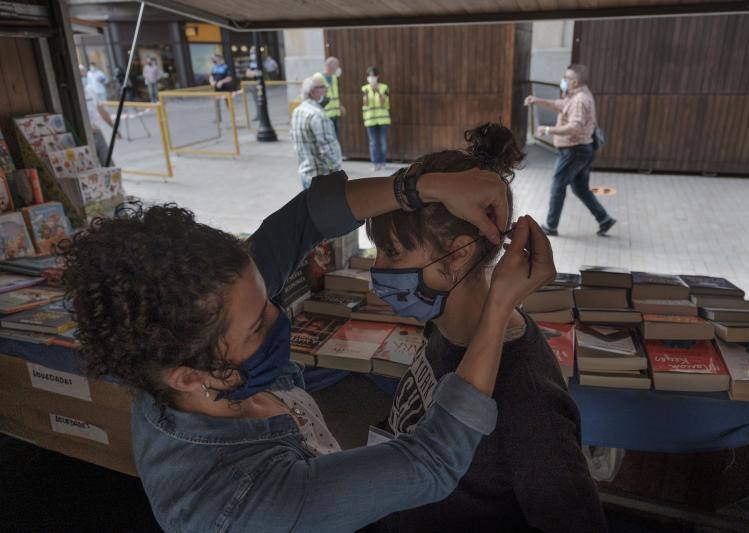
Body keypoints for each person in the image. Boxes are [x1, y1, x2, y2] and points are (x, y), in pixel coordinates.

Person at [57, 158, 557, 532]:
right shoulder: (247, 501)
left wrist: (422, 187)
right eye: (257, 326)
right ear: (192, 376)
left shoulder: (187, 337)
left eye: (265, 295)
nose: (279, 317)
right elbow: (433, 461)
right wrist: (498, 309)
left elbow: (302, 221)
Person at [365, 123, 606, 533]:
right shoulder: (443, 325)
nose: (377, 270)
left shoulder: (526, 396)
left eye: (391, 253)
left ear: (458, 257)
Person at [525, 64, 616, 237]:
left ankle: (550, 226)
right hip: (582, 150)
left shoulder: (580, 100)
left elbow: (575, 127)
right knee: (580, 189)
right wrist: (537, 100)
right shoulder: (577, 96)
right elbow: (561, 105)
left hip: (575, 151)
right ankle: (604, 219)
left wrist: (547, 130)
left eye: (566, 78)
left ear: (575, 81)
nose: (563, 81)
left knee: (558, 186)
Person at [291, 75, 342, 189]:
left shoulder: (297, 111)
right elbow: (327, 148)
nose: (325, 91)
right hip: (320, 177)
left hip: (305, 173)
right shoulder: (318, 115)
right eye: (322, 87)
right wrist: (337, 170)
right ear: (312, 92)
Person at [79, 64, 120, 165]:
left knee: (108, 164)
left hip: (97, 133)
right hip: (83, 137)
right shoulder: (73, 96)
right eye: (81, 76)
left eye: (84, 75)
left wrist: (114, 128)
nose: (83, 78)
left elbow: (101, 110)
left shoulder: (90, 90)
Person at [362, 67, 391, 172]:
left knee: (383, 142)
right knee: (373, 142)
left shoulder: (384, 87)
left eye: (373, 75)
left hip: (383, 120)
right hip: (370, 119)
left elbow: (384, 102)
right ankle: (375, 163)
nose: (371, 78)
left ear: (377, 76)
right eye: (369, 75)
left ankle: (383, 162)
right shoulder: (365, 88)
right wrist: (366, 96)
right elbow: (365, 104)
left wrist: (378, 92)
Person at [315, 56, 346, 136]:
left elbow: (334, 95)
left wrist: (340, 106)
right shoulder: (318, 78)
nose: (338, 68)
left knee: (335, 136)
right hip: (325, 114)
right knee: (327, 137)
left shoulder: (334, 77)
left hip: (335, 114)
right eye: (337, 66)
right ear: (331, 66)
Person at [209, 53, 234, 124]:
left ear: (220, 59)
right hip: (217, 90)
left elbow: (229, 78)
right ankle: (218, 118)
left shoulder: (226, 67)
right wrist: (211, 81)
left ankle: (232, 117)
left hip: (226, 89)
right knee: (216, 105)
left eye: (215, 59)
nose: (214, 60)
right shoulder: (214, 67)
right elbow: (211, 76)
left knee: (228, 104)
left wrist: (222, 82)